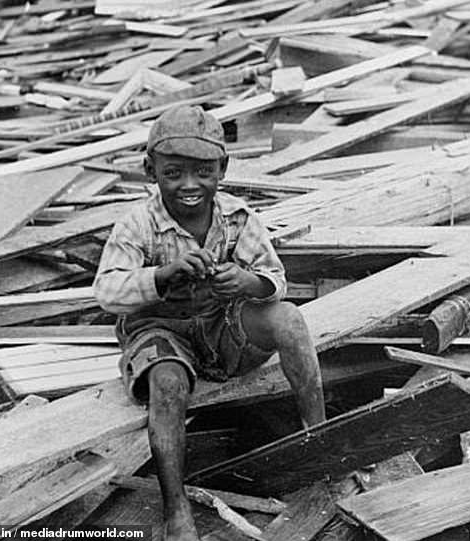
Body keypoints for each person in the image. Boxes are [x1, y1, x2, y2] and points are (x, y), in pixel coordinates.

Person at [94, 104, 325, 541]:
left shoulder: (238, 218)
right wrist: (162, 276)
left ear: (223, 168)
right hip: (160, 332)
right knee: (167, 384)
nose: (189, 185)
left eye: (203, 172)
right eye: (173, 172)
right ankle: (175, 508)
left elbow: (275, 280)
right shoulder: (137, 225)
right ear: (150, 169)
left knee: (290, 320)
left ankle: (320, 439)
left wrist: (244, 282)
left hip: (222, 329)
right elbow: (106, 292)